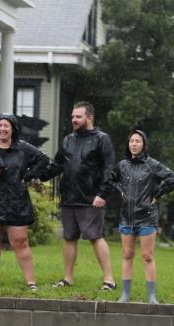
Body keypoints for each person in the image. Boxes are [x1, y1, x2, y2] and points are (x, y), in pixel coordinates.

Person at [0, 114, 51, 292]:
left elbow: (44, 160)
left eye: (6, 126)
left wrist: (28, 175)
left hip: (16, 199)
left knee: (20, 240)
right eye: (0, 126)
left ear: (13, 129)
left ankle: (31, 282)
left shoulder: (23, 148)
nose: (3, 129)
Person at [41, 101, 117, 291]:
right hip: (68, 197)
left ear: (89, 117)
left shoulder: (102, 139)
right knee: (69, 237)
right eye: (73, 116)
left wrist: (103, 193)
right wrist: (38, 174)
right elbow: (57, 165)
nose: (74, 120)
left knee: (95, 237)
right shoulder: (68, 140)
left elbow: (109, 169)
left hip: (92, 197)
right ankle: (68, 278)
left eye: (78, 117)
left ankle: (109, 280)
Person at [102, 130, 174, 304]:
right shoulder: (122, 165)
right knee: (127, 254)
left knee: (147, 256)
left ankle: (151, 296)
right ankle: (125, 294)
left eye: (138, 141)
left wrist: (158, 194)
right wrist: (120, 190)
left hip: (147, 217)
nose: (134, 144)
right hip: (126, 218)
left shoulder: (153, 165)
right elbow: (109, 179)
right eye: (131, 141)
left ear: (144, 144)